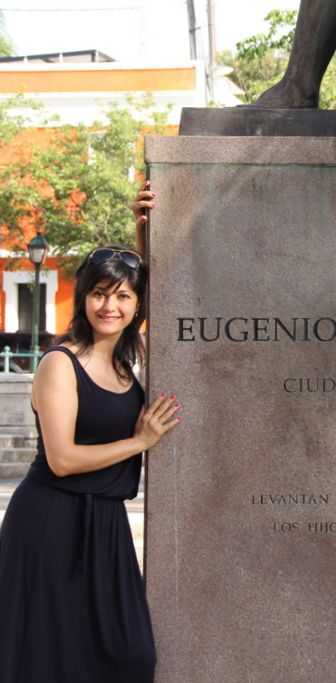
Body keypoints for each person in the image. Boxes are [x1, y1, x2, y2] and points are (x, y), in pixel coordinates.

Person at [0, 186, 180, 681]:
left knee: (130, 656)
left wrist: (144, 231)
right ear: (83, 298)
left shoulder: (126, 358)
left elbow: (160, 290)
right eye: (99, 293)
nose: (110, 305)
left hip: (106, 524)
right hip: (49, 521)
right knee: (48, 661)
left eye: (122, 296)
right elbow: (62, 459)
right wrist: (139, 443)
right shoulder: (60, 363)